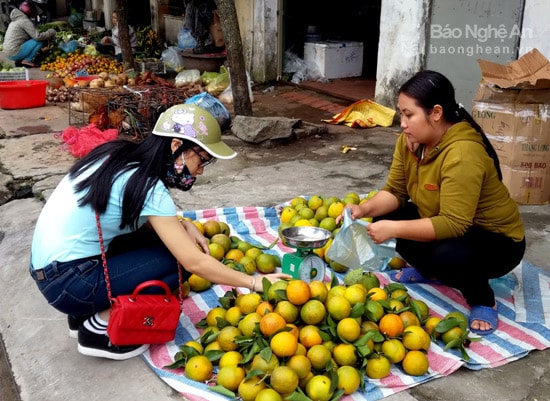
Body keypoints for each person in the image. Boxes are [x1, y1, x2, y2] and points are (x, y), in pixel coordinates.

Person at [29, 104, 290, 361]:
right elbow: (194, 261)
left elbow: (128, 213)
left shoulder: (118, 155)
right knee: (179, 261)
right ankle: (99, 329)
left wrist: (183, 224)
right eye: (202, 159)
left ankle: (84, 312)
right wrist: (254, 283)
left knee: (164, 242)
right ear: (177, 146)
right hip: (71, 283)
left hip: (53, 273)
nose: (200, 170)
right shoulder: (150, 187)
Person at [339, 70, 525, 336]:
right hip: (449, 224)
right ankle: (431, 270)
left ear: (436, 113)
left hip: (498, 242)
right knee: (384, 217)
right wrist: (363, 209)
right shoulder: (410, 141)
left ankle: (482, 298)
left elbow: (455, 224)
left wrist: (394, 230)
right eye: (401, 114)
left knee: (447, 254)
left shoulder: (462, 153)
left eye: (409, 114)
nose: (402, 123)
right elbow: (395, 191)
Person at [2, 1, 56, 68]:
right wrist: (51, 32)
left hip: (8, 52)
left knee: (32, 40)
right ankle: (27, 60)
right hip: (14, 53)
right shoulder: (25, 21)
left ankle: (20, 59)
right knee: (39, 41)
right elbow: (37, 37)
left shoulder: (16, 20)